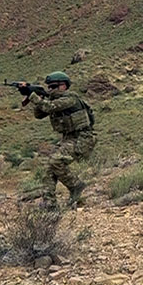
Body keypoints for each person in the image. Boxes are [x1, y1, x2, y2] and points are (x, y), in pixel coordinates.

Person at [22, 71, 95, 208]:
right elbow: (39, 114)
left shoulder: (70, 99)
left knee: (56, 160)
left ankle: (76, 185)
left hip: (82, 138)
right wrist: (36, 96)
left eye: (54, 86)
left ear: (64, 86)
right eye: (49, 87)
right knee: (49, 168)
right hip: (68, 138)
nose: (51, 90)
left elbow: (49, 107)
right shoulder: (53, 100)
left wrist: (33, 95)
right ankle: (49, 202)